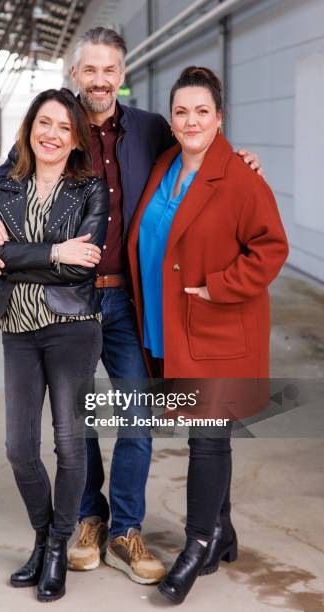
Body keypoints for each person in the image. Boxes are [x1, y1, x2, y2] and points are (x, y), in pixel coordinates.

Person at [0, 28, 263, 585]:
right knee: (79, 423)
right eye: (89, 70)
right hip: (64, 299)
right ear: (75, 74)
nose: (99, 81)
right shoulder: (54, 126)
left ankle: (126, 526)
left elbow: (200, 152)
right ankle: (89, 518)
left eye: (109, 71)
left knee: (136, 415)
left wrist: (240, 159)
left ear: (122, 76)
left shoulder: (149, 127)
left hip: (127, 298)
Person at [127, 66, 289, 604]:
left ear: (220, 118)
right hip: (167, 325)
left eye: (202, 111)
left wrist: (218, 287)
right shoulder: (166, 163)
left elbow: (271, 248)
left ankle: (197, 544)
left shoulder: (241, 177)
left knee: (205, 436)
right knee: (209, 433)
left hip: (216, 326)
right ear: (170, 120)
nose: (191, 120)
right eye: (181, 111)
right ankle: (223, 532)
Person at [0, 87, 108, 602]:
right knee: (18, 449)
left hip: (73, 328)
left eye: (63, 126)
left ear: (76, 136)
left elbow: (84, 264)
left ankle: (58, 547)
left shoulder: (91, 190)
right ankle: (41, 537)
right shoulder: (4, 183)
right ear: (30, 127)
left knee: (71, 445)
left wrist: (18, 253)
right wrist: (54, 249)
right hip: (17, 325)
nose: (52, 134)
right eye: (44, 123)